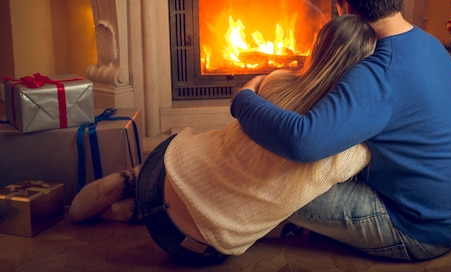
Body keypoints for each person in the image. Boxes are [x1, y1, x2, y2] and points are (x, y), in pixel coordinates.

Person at [230, 0, 451, 262]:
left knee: (268, 182)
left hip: (417, 229)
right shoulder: (428, 43)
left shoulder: (377, 72)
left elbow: (301, 141)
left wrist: (243, 100)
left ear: (343, 4)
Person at [68, 14, 377, 265]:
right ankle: (129, 213)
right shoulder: (347, 151)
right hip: (191, 246)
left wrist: (252, 87)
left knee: (200, 151)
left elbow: (251, 89)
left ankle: (131, 180)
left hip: (164, 175)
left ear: (318, 48)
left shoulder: (277, 81)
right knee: (266, 219)